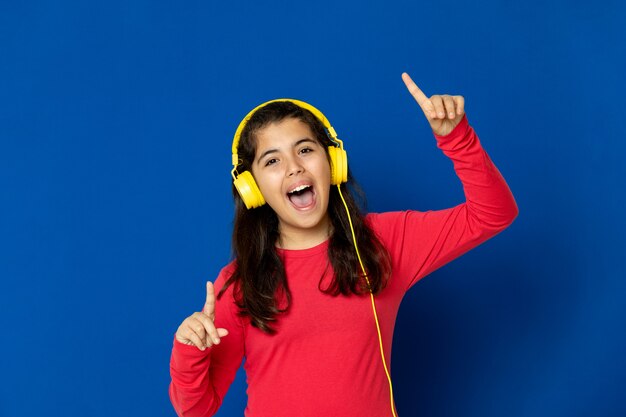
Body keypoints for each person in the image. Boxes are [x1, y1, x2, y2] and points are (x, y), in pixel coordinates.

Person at [168, 72, 519, 417]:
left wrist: (457, 139)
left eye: (305, 150)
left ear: (333, 162)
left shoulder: (384, 242)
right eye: (272, 160)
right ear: (253, 188)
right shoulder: (240, 281)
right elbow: (195, 409)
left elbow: (493, 214)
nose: (293, 168)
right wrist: (188, 351)